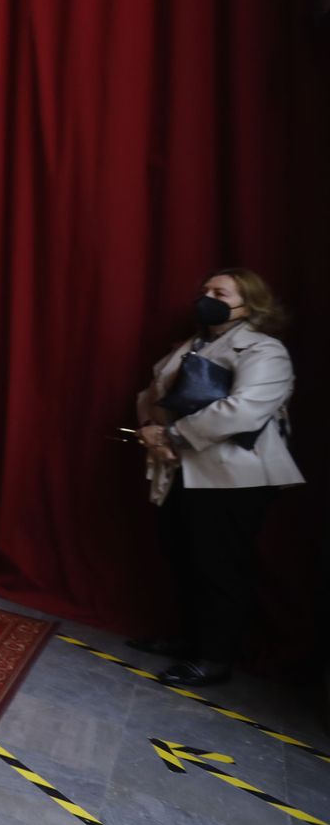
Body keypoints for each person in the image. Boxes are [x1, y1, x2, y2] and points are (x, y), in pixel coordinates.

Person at [130, 268, 303, 688]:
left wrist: (172, 434)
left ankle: (214, 658)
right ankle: (191, 639)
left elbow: (243, 410)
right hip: (182, 469)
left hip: (234, 477)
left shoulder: (265, 350)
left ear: (250, 304)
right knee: (183, 555)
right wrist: (150, 429)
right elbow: (153, 393)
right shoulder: (193, 343)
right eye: (204, 290)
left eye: (219, 292)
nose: (206, 296)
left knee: (219, 566)